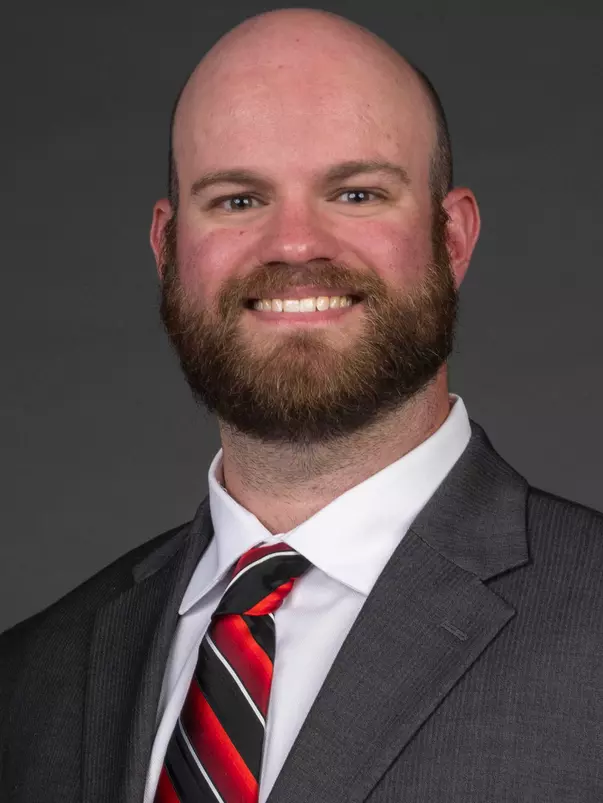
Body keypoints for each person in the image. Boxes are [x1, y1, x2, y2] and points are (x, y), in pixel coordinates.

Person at [1, 7, 602, 803]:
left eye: (355, 192)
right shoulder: (28, 680)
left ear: (451, 238)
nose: (293, 244)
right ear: (166, 248)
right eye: (238, 200)